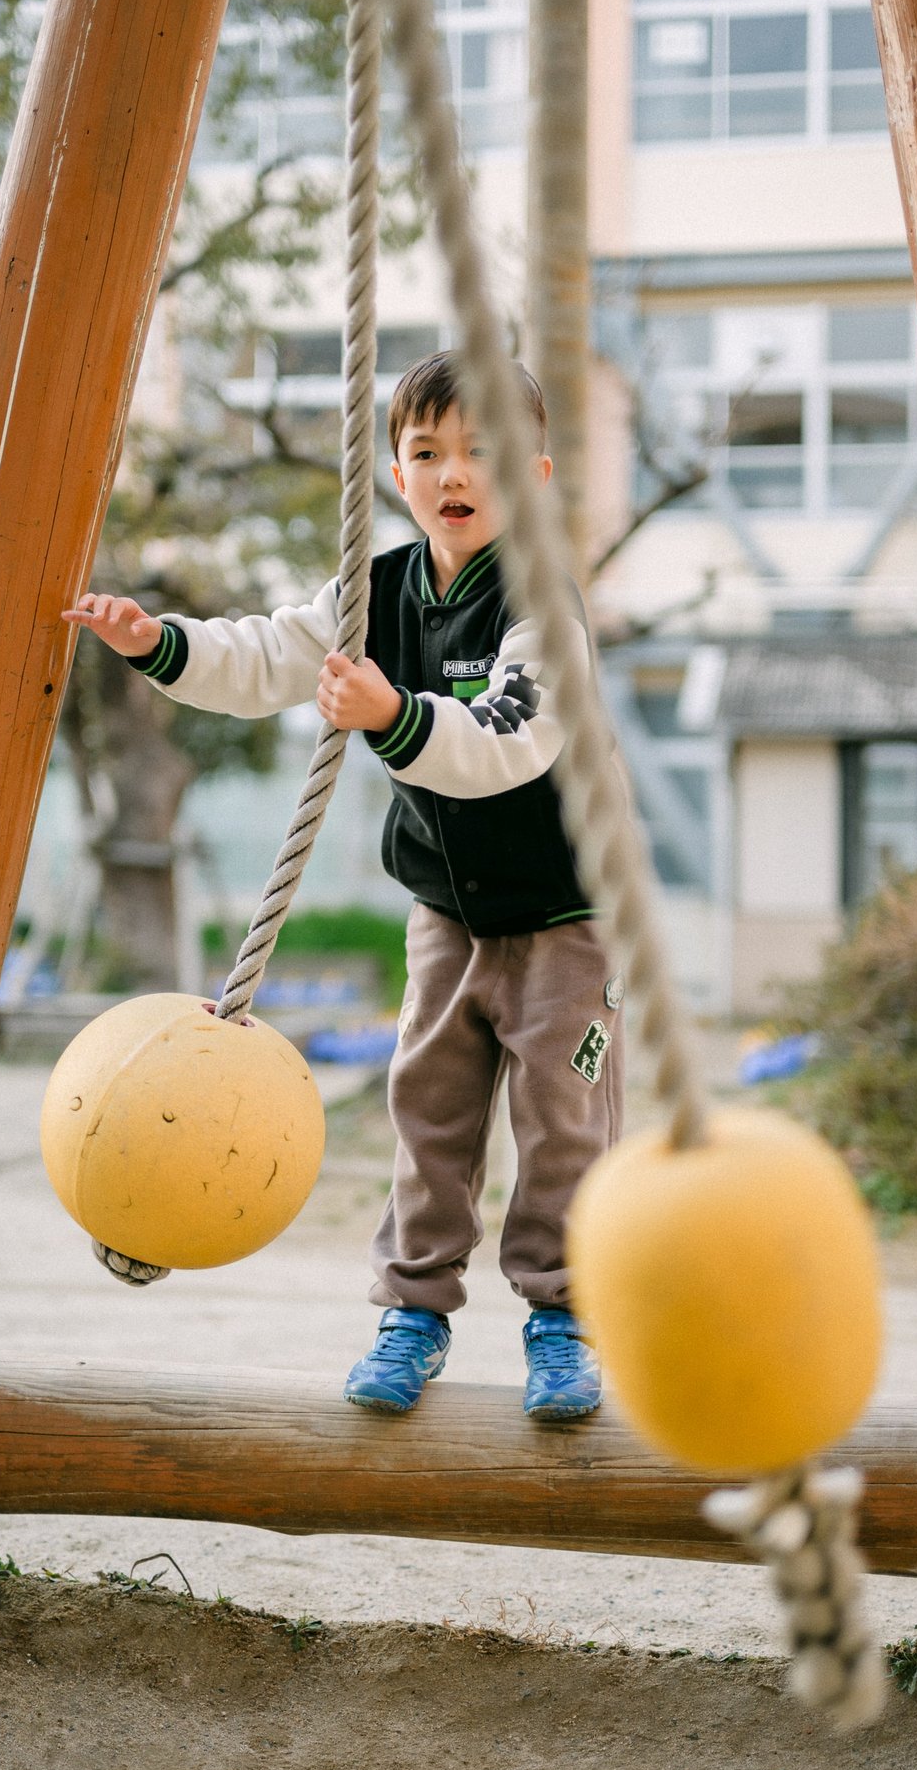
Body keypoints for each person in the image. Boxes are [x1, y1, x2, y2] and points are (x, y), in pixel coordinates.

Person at [62, 350, 622, 1421]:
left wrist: (394, 716)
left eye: (484, 452)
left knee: (562, 1114)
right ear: (398, 475)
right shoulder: (375, 593)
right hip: (447, 912)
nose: (455, 473)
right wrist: (159, 643)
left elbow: (510, 736)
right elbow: (269, 655)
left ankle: (565, 1316)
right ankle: (414, 1310)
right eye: (429, 452)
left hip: (566, 915)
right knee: (428, 1104)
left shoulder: (543, 602)